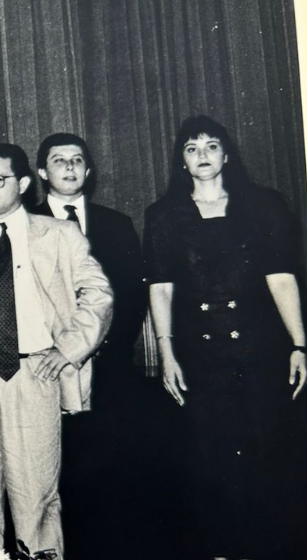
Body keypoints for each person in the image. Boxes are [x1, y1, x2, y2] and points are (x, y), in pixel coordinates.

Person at [0, 143, 112, 558]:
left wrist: (68, 349)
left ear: (24, 183)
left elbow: (98, 295)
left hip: (35, 377)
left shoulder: (59, 234)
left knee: (36, 499)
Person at [144, 115, 307, 558]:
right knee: (208, 458)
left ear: (227, 154)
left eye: (211, 146)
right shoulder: (163, 215)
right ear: (181, 160)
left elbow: (281, 277)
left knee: (266, 452)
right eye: (191, 148)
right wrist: (167, 354)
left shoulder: (264, 205)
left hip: (260, 352)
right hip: (199, 357)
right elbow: (160, 288)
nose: (202, 155)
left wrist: (299, 345)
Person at [29, 133, 147, 556]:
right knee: (57, 476)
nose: (69, 167)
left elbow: (131, 296)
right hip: (48, 371)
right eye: (58, 160)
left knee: (110, 472)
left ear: (89, 170)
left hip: (108, 368)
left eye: (77, 160)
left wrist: (93, 345)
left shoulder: (116, 224)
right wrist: (60, 351)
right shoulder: (25, 224)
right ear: (42, 172)